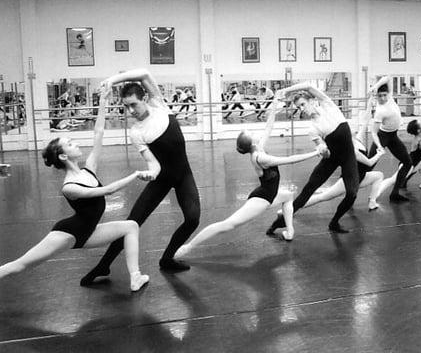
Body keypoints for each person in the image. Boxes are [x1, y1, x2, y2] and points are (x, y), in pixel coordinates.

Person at [0, 86, 149, 292]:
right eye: (70, 143)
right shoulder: (69, 187)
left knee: (131, 226)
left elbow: (98, 133)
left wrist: (104, 101)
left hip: (88, 233)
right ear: (63, 156)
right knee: (20, 265)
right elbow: (108, 191)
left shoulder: (88, 170)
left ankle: (136, 277)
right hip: (67, 234)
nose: (76, 143)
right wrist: (135, 174)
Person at [80, 68, 201, 286]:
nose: (130, 110)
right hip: (161, 178)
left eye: (133, 104)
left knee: (193, 219)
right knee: (132, 223)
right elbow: (153, 163)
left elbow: (144, 73)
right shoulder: (136, 132)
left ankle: (167, 258)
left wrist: (113, 79)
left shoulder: (159, 105)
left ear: (144, 98)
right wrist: (152, 173)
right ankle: (103, 265)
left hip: (183, 174)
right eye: (126, 106)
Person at [174, 98, 321, 258]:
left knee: (288, 197)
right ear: (252, 144)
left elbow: (269, 126)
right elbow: (291, 159)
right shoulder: (260, 158)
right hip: (262, 199)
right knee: (228, 225)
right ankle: (188, 246)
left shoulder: (259, 147)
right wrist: (316, 152)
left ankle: (290, 232)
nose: (256, 134)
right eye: (252, 135)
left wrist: (275, 103)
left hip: (269, 194)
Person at [266, 81, 360, 234]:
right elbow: (322, 148)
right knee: (307, 192)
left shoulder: (328, 106)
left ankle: (334, 222)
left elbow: (308, 86)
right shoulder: (312, 129)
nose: (302, 109)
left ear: (312, 101)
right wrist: (323, 149)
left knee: (352, 194)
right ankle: (277, 223)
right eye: (299, 107)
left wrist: (286, 90)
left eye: (303, 104)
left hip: (348, 157)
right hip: (330, 159)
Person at [298, 96, 385, 211]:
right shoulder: (353, 151)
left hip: (361, 177)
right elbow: (369, 163)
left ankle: (372, 202)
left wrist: (370, 103)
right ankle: (290, 209)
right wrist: (379, 154)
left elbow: (365, 122)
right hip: (348, 180)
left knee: (379, 176)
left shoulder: (358, 140)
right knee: (322, 197)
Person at [367, 76, 412, 202]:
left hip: (393, 136)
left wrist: (375, 86)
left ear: (388, 94)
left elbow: (387, 77)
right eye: (379, 96)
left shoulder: (390, 99)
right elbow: (374, 132)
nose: (382, 98)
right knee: (368, 166)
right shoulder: (380, 111)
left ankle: (395, 193)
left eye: (384, 95)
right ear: (376, 97)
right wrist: (379, 146)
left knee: (407, 163)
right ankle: (349, 190)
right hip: (382, 137)